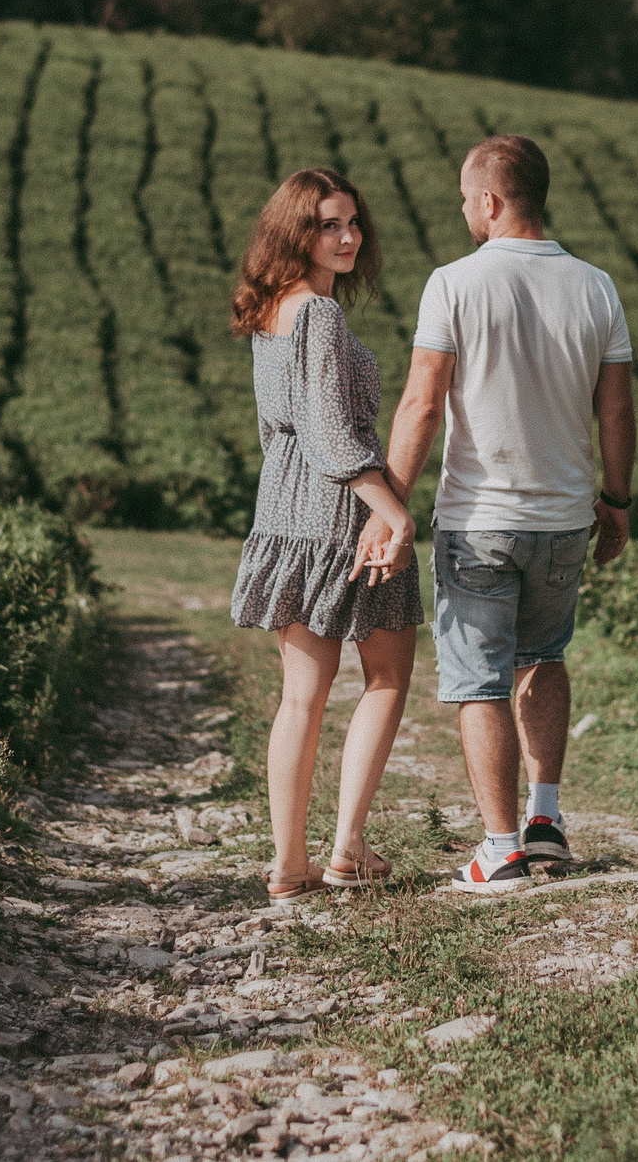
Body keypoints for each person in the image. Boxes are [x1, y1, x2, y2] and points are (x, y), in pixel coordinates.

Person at [380, 134, 637, 895]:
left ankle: (499, 849)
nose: (464, 210)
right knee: (544, 656)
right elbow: (616, 406)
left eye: (466, 199)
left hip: (479, 518)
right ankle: (546, 820)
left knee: (478, 680)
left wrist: (388, 500)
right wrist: (616, 501)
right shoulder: (597, 287)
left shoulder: (453, 282)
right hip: (564, 518)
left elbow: (423, 403)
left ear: (489, 201)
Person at [228, 167, 420, 899]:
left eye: (352, 222)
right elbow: (334, 435)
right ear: (295, 232)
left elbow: (279, 429)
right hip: (343, 515)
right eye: (328, 225)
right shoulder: (320, 317)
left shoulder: (271, 311)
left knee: (301, 696)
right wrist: (391, 508)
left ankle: (287, 863)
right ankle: (344, 849)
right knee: (388, 677)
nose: (347, 236)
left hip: (282, 512)